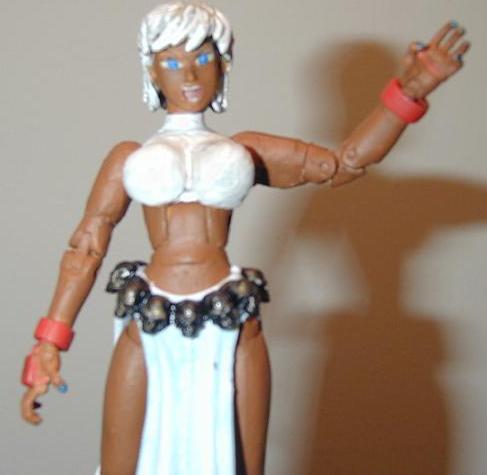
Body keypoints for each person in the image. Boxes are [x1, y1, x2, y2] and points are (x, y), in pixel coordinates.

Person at [20, 2, 469, 474]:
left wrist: (405, 95)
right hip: (149, 320)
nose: (189, 74)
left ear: (224, 64)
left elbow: (344, 164)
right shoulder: (128, 158)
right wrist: (49, 343)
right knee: (120, 464)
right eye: (172, 61)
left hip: (230, 323)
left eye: (203, 57)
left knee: (240, 465)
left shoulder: (245, 150)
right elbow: (86, 247)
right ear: (151, 70)